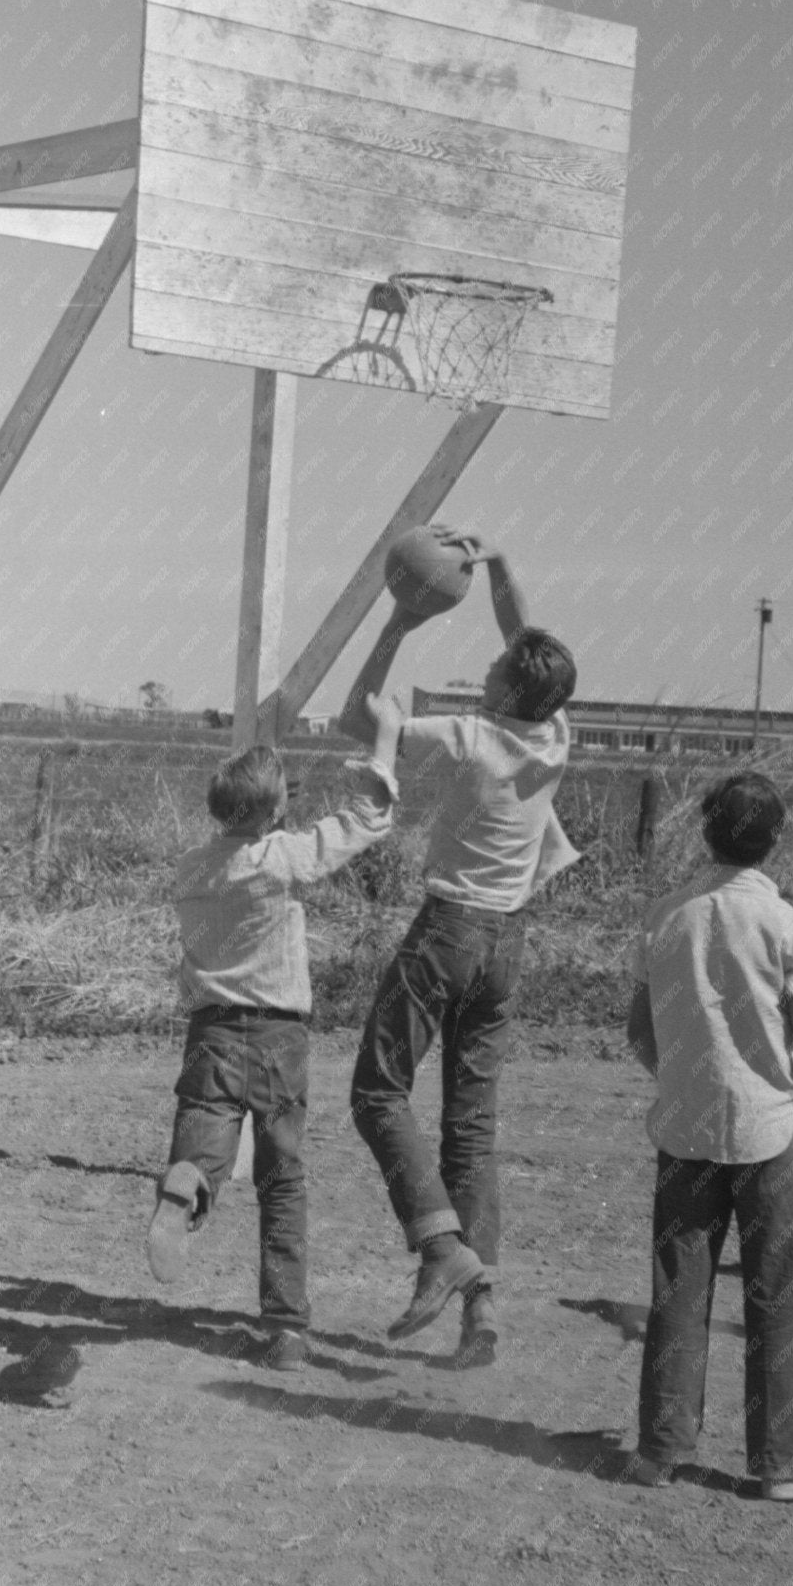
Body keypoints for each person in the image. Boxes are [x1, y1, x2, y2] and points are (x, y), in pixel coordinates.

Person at [338, 526, 580, 1363]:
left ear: (506, 685)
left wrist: (397, 625)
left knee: (377, 1092)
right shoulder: (552, 736)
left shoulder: (466, 736)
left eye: (493, 667)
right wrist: (503, 562)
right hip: (508, 944)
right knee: (469, 1130)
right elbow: (527, 641)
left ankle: (440, 1248)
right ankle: (483, 1308)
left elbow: (351, 719)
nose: (484, 666)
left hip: (448, 932)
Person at [625, 771, 793, 1499]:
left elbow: (639, 1031)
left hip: (685, 1129)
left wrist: (684, 1077)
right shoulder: (785, 924)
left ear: (705, 833)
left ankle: (658, 1451)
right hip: (767, 1129)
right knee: (782, 1294)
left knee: (677, 1292)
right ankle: (786, 1462)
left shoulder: (665, 916)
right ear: (776, 837)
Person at [145, 699, 401, 1370]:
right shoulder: (281, 858)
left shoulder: (191, 871)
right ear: (270, 814)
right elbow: (359, 825)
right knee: (282, 1177)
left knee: (205, 1129)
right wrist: (381, 759)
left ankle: (188, 1179)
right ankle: (286, 1327)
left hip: (210, 1029)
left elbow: (247, 833)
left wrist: (268, 807)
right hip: (278, 1033)